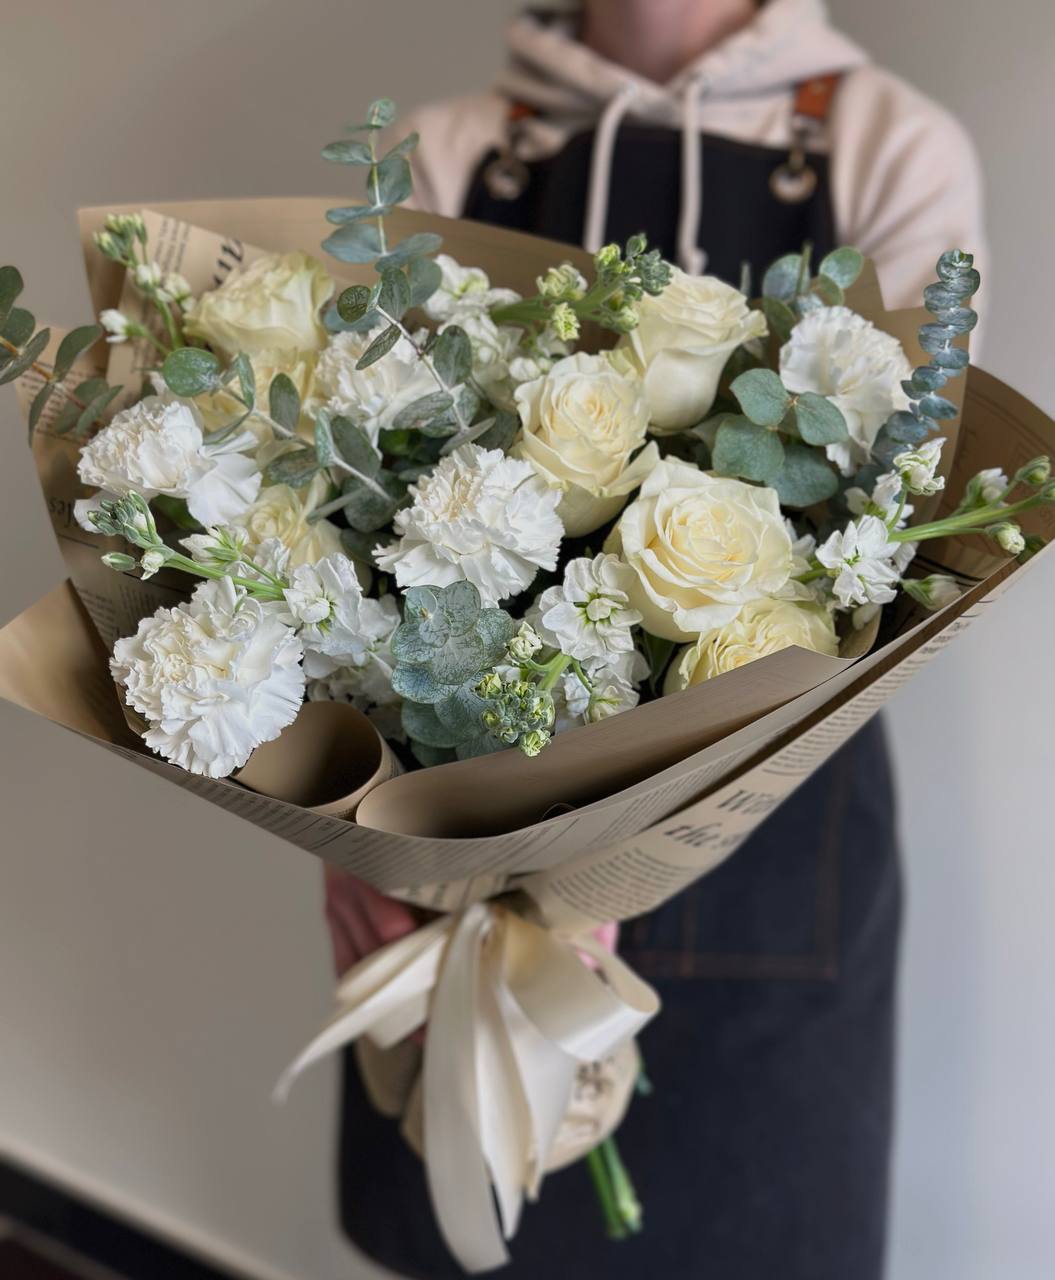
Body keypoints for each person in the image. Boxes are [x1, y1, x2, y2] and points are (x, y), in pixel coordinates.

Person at [325, 2, 986, 1276]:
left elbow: (901, 539)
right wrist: (351, 837)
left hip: (774, 874)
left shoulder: (887, 146)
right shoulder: (444, 154)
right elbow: (351, 537)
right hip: (456, 871)